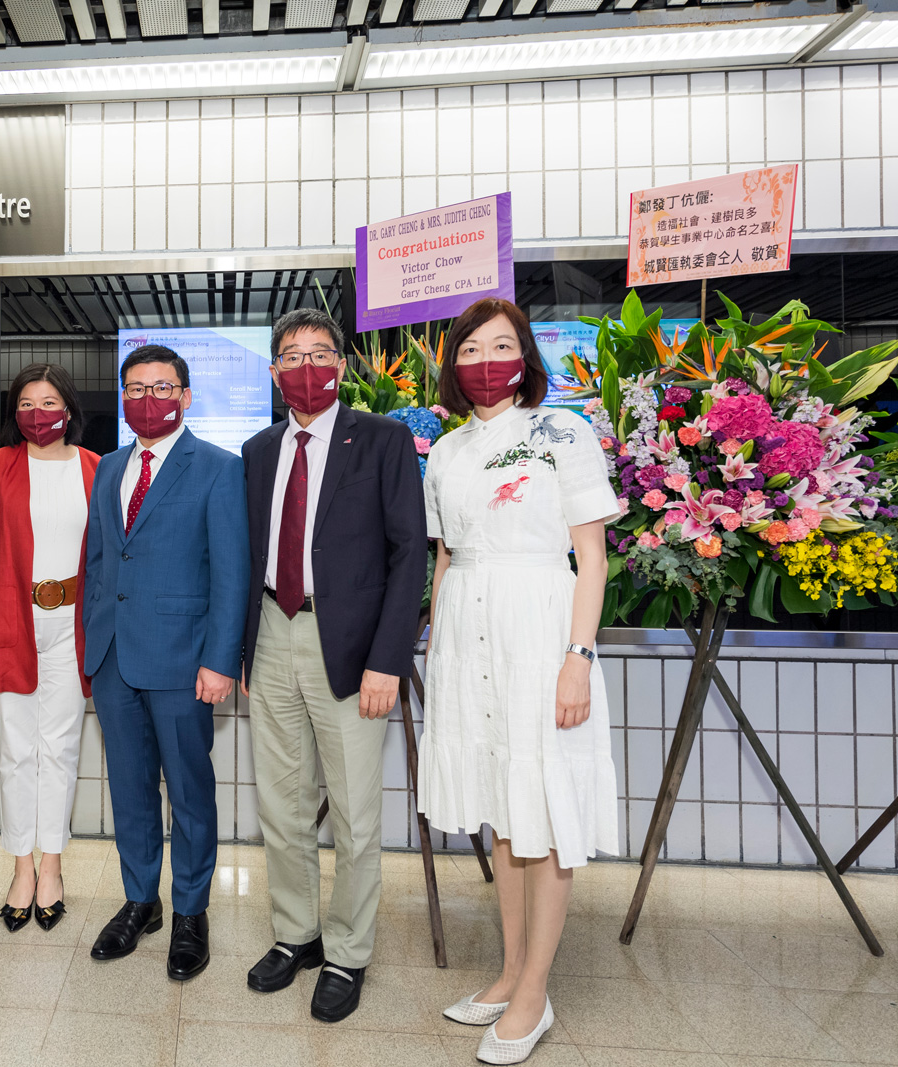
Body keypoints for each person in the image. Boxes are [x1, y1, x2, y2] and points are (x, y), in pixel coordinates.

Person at [420, 298, 619, 1065]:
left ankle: (535, 989)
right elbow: (445, 557)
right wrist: (435, 639)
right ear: (455, 364)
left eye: (503, 345)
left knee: (545, 803)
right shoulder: (445, 452)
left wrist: (579, 654)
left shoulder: (561, 432)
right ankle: (507, 971)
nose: (486, 359)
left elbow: (592, 559)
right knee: (503, 811)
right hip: (466, 633)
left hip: (540, 629)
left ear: (527, 356)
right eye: (471, 347)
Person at [240, 308, 426, 1023]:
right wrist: (242, 650)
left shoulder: (381, 439)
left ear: (342, 367)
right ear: (274, 371)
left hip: (349, 649)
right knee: (281, 807)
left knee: (352, 813)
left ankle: (348, 950)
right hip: (272, 631)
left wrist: (387, 659)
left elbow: (409, 554)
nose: (306, 366)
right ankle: (296, 935)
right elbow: (247, 554)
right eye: (292, 355)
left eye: (320, 353)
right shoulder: (259, 450)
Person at [83, 344, 249, 981]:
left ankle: (190, 912)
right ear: (123, 397)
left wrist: (219, 660)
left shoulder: (217, 468)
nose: (147, 399)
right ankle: (140, 901)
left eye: (161, 388)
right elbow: (101, 563)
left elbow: (231, 575)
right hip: (114, 656)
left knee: (189, 791)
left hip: (184, 661)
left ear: (185, 396)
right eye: (135, 388)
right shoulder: (108, 468)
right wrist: (90, 647)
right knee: (128, 790)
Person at [0, 363, 100, 932]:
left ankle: (53, 868)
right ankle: (22, 867)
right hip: (11, 620)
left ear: (68, 408)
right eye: (26, 404)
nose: (37, 414)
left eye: (48, 403)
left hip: (76, 624)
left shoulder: (97, 467)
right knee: (18, 750)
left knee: (60, 749)